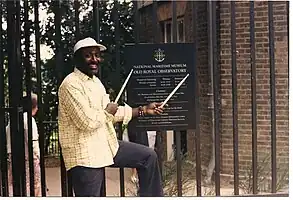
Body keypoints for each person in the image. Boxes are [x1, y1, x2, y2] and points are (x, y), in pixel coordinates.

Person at [58, 37, 166, 197]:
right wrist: (108, 111)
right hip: (85, 156)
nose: (95, 59)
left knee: (148, 156)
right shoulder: (70, 85)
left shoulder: (96, 83)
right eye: (88, 55)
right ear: (77, 59)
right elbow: (87, 122)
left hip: (106, 145)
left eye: (97, 55)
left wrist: (143, 110)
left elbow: (112, 114)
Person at [6, 93, 41, 196]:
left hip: (13, 158)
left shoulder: (13, 120)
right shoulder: (30, 120)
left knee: (16, 185)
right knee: (34, 185)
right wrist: (37, 156)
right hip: (29, 159)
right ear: (33, 106)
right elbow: (33, 141)